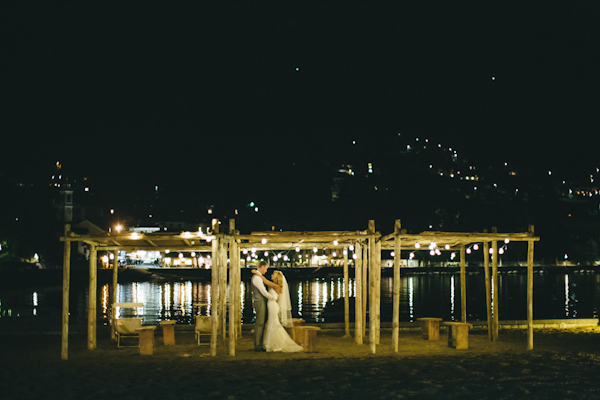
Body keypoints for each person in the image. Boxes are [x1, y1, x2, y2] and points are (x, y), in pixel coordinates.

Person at [252, 269, 303, 352]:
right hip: (272, 305)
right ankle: (269, 343)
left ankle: (273, 343)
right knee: (271, 322)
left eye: (273, 274)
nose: (271, 275)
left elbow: (264, 280)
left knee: (273, 323)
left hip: (273, 306)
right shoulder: (275, 285)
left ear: (276, 278)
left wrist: (256, 273)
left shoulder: (275, 286)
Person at [251, 261, 277, 352]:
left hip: (260, 301)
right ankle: (257, 345)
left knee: (261, 322)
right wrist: (273, 297)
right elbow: (263, 292)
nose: (266, 271)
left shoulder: (258, 277)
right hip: (260, 302)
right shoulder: (257, 279)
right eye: (266, 268)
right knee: (260, 323)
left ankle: (259, 343)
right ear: (261, 267)